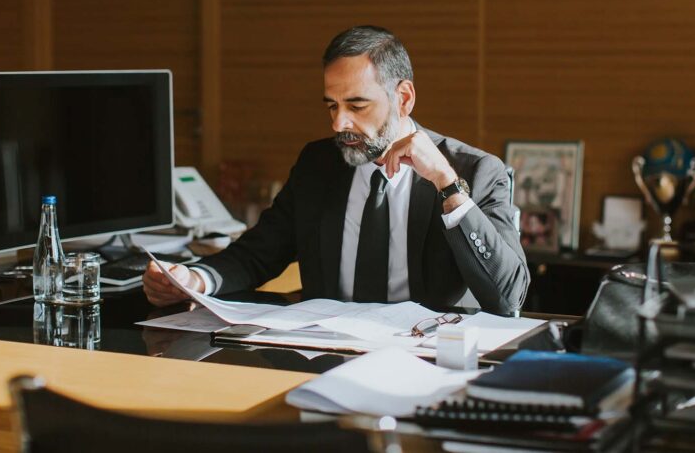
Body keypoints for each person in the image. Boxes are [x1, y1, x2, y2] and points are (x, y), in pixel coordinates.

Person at [143, 26, 530, 314]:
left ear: (404, 98)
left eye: (357, 105)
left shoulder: (476, 171)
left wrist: (447, 186)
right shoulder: (318, 164)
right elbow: (259, 252)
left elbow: (508, 295)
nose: (338, 124)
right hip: (323, 357)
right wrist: (196, 280)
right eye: (332, 105)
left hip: (424, 364)